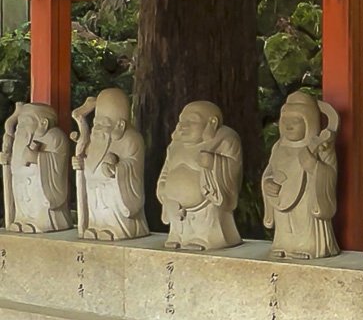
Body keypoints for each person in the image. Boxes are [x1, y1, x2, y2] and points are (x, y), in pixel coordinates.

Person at [262, 91, 339, 259]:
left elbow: (330, 174)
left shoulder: (321, 147)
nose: (288, 125)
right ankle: (283, 245)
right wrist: (267, 183)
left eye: (295, 121)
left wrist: (313, 166)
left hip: (308, 199)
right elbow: (269, 171)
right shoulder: (278, 147)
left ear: (309, 122)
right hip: (282, 196)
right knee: (284, 222)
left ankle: (307, 247)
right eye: (285, 120)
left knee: (303, 218)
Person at [157, 101, 242, 251]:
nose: (184, 125)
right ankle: (177, 236)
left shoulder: (225, 139)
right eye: (182, 120)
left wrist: (214, 163)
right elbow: (166, 170)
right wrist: (163, 189)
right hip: (175, 205)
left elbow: (233, 168)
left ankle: (204, 238)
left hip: (207, 203)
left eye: (192, 121)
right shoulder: (175, 146)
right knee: (178, 226)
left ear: (212, 122)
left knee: (207, 220)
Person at [73, 88, 148, 241]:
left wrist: (116, 169)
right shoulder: (95, 140)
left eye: (104, 123)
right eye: (96, 122)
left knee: (110, 206)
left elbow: (134, 166)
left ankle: (117, 228)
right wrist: (81, 163)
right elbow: (89, 159)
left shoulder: (131, 139)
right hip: (95, 191)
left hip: (115, 196)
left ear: (120, 125)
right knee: (96, 206)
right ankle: (95, 226)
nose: (97, 127)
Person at [2, 103, 71, 234]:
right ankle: (22, 219)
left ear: (43, 123)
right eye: (20, 122)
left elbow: (57, 163)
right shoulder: (20, 138)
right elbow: (17, 162)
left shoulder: (54, 136)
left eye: (25, 121)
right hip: (22, 184)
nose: (20, 126)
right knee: (23, 198)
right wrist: (8, 160)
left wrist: (36, 157)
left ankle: (42, 221)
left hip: (41, 187)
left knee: (38, 200)